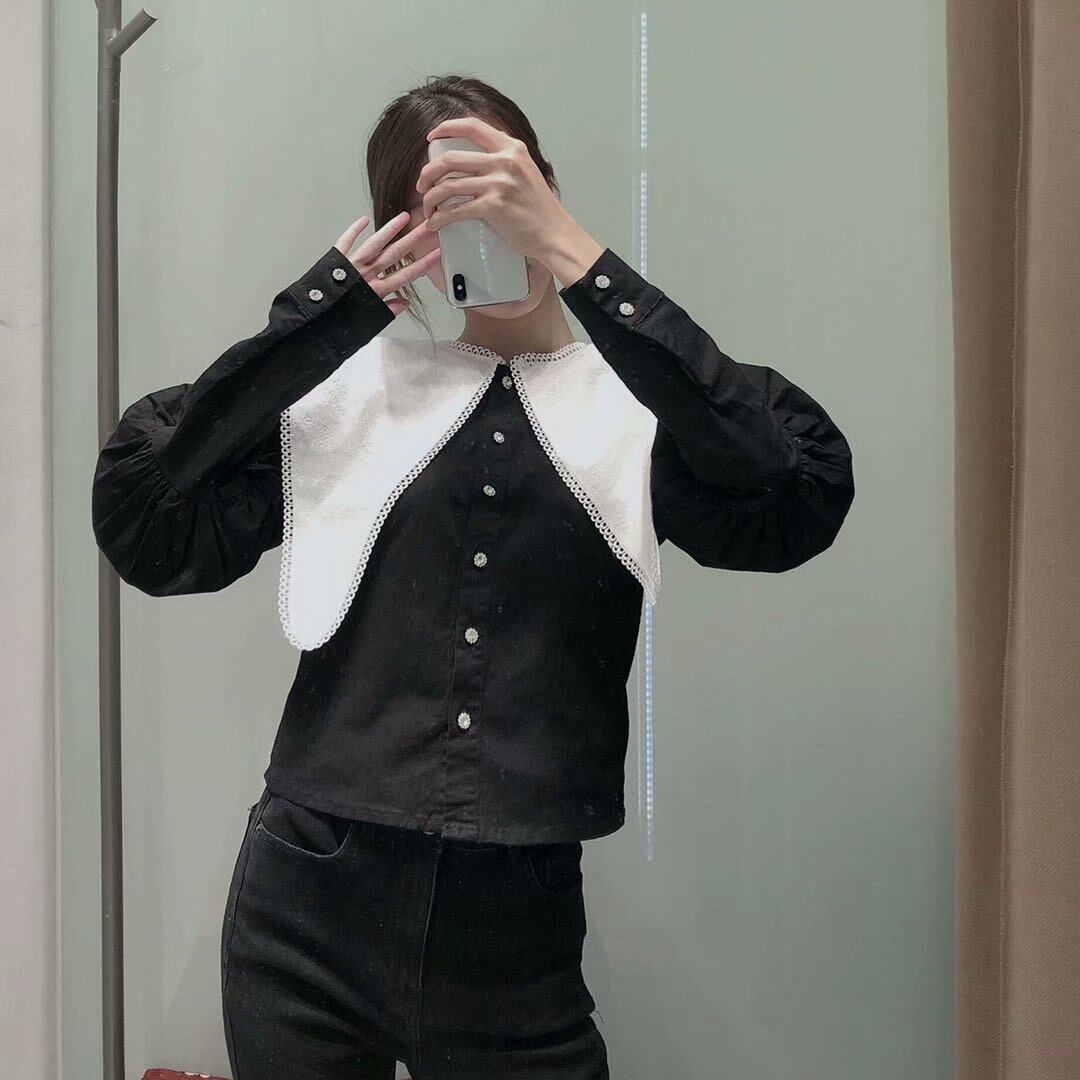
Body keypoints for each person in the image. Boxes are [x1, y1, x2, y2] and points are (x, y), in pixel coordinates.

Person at [91, 74, 854, 1080]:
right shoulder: (348, 400)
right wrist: (329, 311)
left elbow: (792, 492)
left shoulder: (636, 413)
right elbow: (148, 518)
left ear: (547, 186)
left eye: (506, 186)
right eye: (447, 212)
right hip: (301, 917)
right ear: (407, 236)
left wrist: (581, 259)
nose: (487, 224)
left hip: (516, 944)